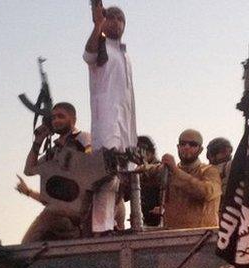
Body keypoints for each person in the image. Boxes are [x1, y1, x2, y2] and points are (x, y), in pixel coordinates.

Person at [84, 4, 137, 234]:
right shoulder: (101, 46)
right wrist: (97, 25)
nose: (116, 21)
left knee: (126, 176)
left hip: (125, 122)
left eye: (120, 18)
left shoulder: (124, 54)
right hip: (107, 120)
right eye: (111, 17)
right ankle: (101, 227)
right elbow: (88, 54)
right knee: (107, 175)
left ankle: (120, 223)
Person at [17, 102, 91, 244]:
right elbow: (29, 170)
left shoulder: (82, 138)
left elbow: (90, 159)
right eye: (53, 118)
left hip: (81, 209)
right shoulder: (53, 151)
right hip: (62, 213)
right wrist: (38, 141)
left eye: (61, 116)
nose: (56, 120)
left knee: (27, 244)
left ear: (73, 119)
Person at [142, 129, 222, 229]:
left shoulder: (209, 171)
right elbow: (142, 173)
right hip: (172, 237)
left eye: (192, 144)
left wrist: (175, 171)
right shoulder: (169, 170)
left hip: (203, 238)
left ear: (200, 150)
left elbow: (206, 192)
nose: (186, 147)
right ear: (178, 147)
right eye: (183, 143)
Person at [135, 135, 164, 227]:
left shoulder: (160, 170)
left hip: (160, 220)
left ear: (151, 153)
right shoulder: (138, 171)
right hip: (145, 220)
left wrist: (163, 208)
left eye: (141, 152)